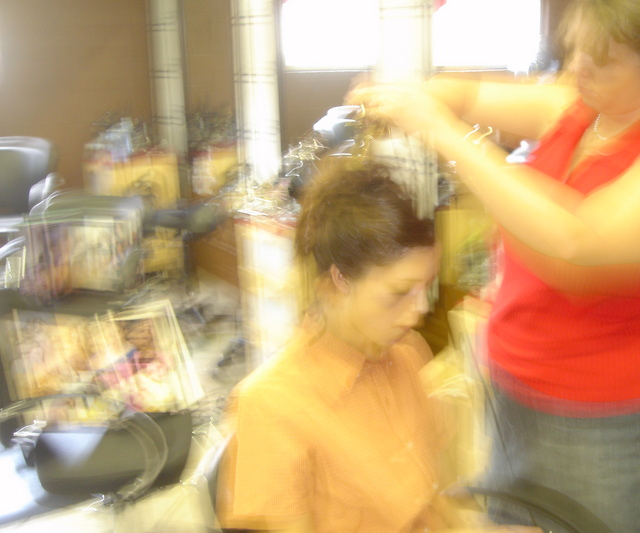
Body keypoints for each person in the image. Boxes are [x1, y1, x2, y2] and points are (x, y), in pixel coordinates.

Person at [351, 1, 640, 532]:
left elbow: (569, 242)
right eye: (575, 47)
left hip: (610, 422)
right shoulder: (579, 108)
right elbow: (467, 94)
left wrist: (443, 133)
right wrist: (416, 98)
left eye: (602, 59)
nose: (577, 68)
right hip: (514, 389)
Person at [216, 159, 540, 533]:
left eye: (427, 287)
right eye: (400, 293)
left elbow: (436, 498)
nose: (420, 310)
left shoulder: (407, 353)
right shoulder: (272, 406)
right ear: (340, 280)